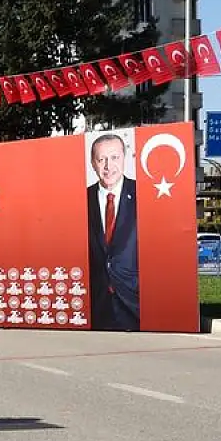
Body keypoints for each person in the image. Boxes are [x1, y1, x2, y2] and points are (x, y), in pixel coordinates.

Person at [85, 133, 140, 331]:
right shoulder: (82, 198)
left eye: (114, 158)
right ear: (93, 163)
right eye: (102, 159)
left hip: (135, 304)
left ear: (125, 158)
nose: (108, 166)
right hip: (95, 306)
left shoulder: (144, 193)